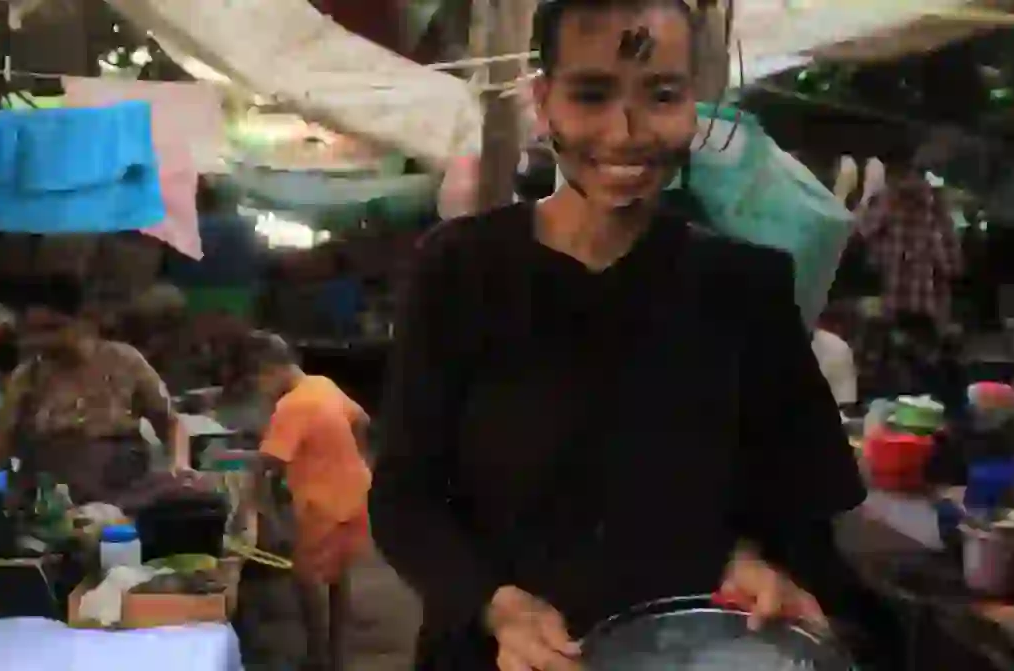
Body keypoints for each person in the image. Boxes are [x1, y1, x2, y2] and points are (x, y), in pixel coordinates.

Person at [371, 2, 870, 669]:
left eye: (661, 95)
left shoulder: (745, 287)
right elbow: (405, 497)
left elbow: (802, 508)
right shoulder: (459, 271)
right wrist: (494, 603)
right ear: (544, 102)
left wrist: (759, 562)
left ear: (695, 104)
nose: (626, 131)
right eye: (591, 94)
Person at [0, 276, 191, 508]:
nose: (43, 340)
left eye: (53, 328)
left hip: (124, 490)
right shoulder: (27, 376)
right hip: (55, 499)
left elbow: (171, 423)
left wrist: (179, 465)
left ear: (86, 321)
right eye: (34, 331)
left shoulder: (126, 361)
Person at [250, 333, 371, 671]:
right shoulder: (322, 384)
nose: (261, 390)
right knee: (338, 574)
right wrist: (346, 455)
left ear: (269, 370)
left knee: (307, 578)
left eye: (258, 380)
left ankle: (317, 658)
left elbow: (266, 465)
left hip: (321, 502)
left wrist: (259, 510)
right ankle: (337, 655)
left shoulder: (291, 406)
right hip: (355, 490)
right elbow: (361, 420)